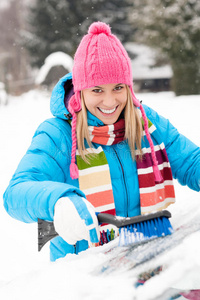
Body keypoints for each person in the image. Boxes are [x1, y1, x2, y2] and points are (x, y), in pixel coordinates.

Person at [3, 22, 200, 262]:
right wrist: (58, 200)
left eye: (118, 87)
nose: (109, 101)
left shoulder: (146, 123)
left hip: (151, 261)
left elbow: (190, 161)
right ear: (80, 91)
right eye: (97, 90)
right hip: (87, 279)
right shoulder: (58, 134)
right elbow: (15, 193)